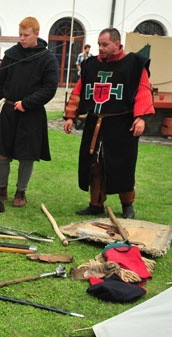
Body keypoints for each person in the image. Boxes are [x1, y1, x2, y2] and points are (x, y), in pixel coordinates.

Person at [62, 28, 154, 219]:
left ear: (117, 44)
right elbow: (79, 91)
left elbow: (143, 90)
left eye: (105, 45)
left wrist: (140, 117)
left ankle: (127, 206)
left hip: (123, 124)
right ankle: (95, 204)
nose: (100, 48)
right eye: (99, 44)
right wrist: (70, 116)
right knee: (94, 165)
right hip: (95, 123)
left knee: (123, 165)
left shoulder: (135, 64)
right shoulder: (90, 65)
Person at [0, 16, 59, 207]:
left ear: (36, 33)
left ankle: (21, 192)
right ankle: (1, 188)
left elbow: (50, 88)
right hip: (8, 111)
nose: (22, 38)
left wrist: (27, 103)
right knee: (0, 152)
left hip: (31, 114)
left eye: (26, 35)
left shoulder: (47, 59)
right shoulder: (11, 55)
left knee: (27, 155)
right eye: (20, 34)